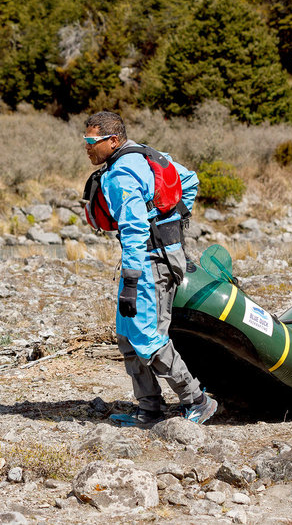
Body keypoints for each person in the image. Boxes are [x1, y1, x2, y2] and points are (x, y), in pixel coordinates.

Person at [82, 111, 217, 427]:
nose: (87, 147)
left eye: (91, 141)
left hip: (148, 263)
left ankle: (197, 400)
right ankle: (149, 410)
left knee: (146, 335)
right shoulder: (147, 155)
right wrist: (175, 225)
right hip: (157, 256)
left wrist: (131, 278)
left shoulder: (121, 175)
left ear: (112, 140)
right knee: (128, 336)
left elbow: (133, 227)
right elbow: (189, 179)